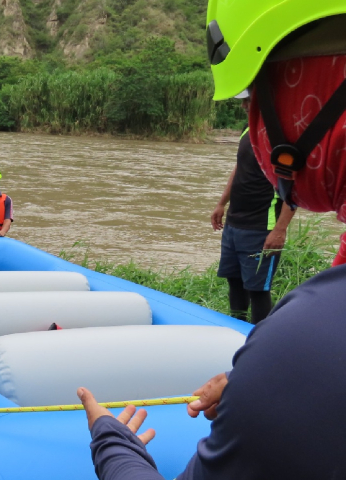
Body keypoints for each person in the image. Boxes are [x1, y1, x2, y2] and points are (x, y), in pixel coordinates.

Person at [78, 3, 346, 479]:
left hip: (259, 241)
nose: (252, 115)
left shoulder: (311, 338)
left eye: (255, 97)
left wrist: (114, 447)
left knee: (256, 291)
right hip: (239, 232)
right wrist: (256, 381)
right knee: (235, 287)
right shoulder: (315, 327)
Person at [211, 93, 295, 324]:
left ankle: (258, 340)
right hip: (234, 224)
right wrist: (221, 204)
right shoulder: (249, 131)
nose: (244, 105)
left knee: (258, 290)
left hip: (261, 228)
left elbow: (293, 186)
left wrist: (280, 230)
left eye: (249, 100)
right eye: (243, 100)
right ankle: (235, 329)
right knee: (234, 281)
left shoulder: (281, 138)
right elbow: (239, 168)